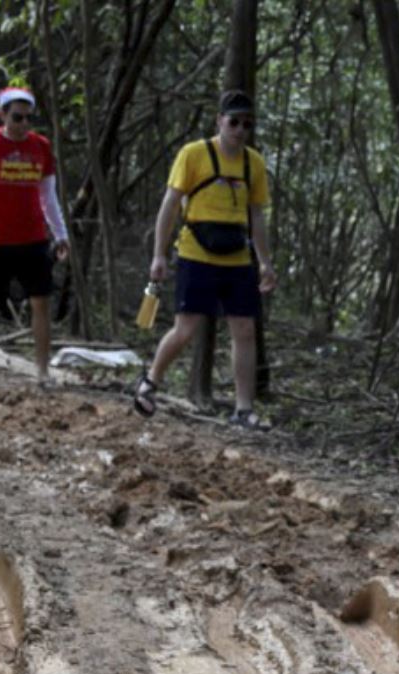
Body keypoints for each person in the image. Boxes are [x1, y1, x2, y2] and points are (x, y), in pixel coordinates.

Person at [131, 90, 277, 429]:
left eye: (247, 124)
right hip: (196, 253)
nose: (240, 130)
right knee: (186, 328)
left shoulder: (253, 163)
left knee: (244, 329)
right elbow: (169, 206)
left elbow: (256, 214)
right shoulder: (193, 154)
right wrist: (159, 254)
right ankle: (150, 382)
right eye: (234, 122)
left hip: (238, 257)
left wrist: (266, 262)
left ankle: (243, 409)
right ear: (219, 122)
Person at [0, 86, 70, 384]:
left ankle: (42, 370)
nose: (23, 125)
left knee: (41, 301)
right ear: (3, 115)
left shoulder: (41, 146)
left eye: (28, 118)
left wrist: (60, 234)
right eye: (17, 117)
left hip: (33, 238)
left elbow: (48, 194)